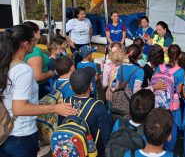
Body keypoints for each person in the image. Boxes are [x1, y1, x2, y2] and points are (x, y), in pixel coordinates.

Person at [0, 25, 76, 157]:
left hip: (5, 132)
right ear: (25, 44)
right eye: (34, 41)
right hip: (21, 134)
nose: (35, 44)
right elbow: (19, 109)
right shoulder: (23, 70)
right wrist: (55, 108)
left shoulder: (5, 64)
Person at [64, 67, 112, 157]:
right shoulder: (98, 106)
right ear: (90, 86)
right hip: (93, 151)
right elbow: (106, 135)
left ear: (70, 87)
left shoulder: (66, 102)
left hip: (70, 149)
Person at [152, 44, 185, 152]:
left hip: (158, 106)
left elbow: (152, 82)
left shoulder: (160, 67)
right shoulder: (180, 71)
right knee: (171, 132)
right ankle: (168, 152)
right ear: (179, 56)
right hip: (171, 108)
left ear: (167, 54)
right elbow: (179, 91)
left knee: (158, 130)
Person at [23, 21, 54, 99]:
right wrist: (50, 74)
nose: (40, 32)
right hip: (39, 87)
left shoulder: (24, 46)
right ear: (34, 33)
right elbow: (37, 77)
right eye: (39, 30)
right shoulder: (34, 50)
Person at [102, 42, 125, 112]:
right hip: (122, 93)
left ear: (110, 56)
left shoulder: (106, 67)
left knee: (110, 110)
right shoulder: (124, 67)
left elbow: (105, 84)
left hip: (111, 93)